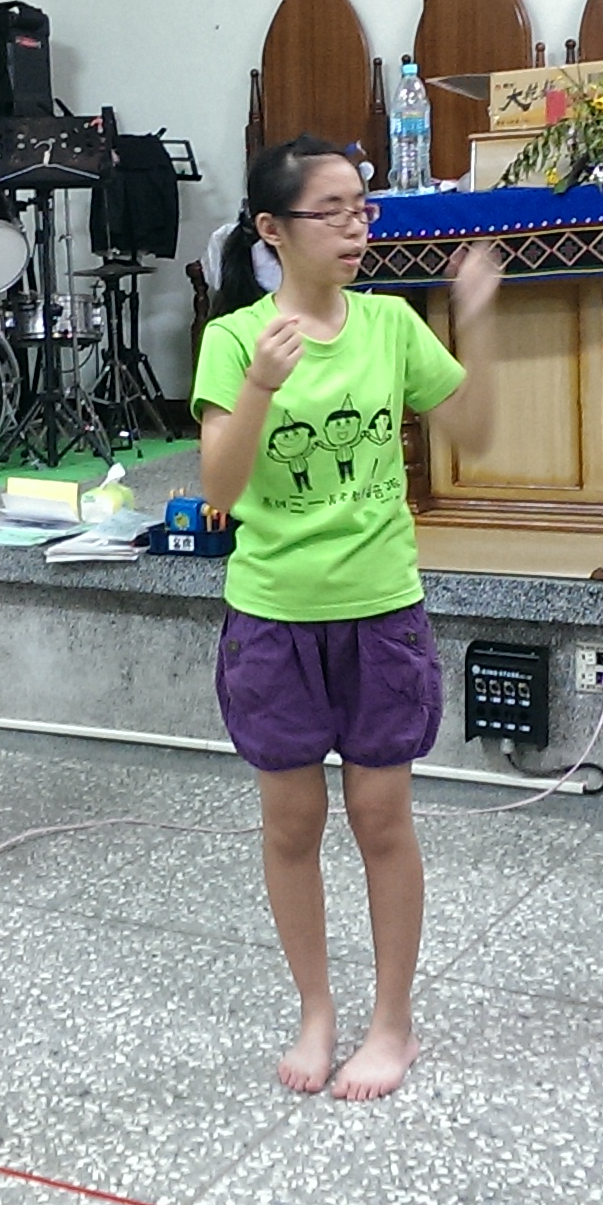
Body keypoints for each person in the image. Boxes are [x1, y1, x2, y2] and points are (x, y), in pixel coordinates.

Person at [193, 135, 499, 1101]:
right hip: (274, 614)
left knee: (381, 817)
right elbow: (219, 491)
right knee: (290, 824)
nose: (355, 227)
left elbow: (475, 432)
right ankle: (316, 1009)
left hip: (380, 610)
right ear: (272, 230)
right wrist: (260, 385)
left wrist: (476, 319)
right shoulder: (235, 340)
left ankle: (392, 1021)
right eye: (330, 211)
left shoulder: (392, 324)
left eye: (361, 208)